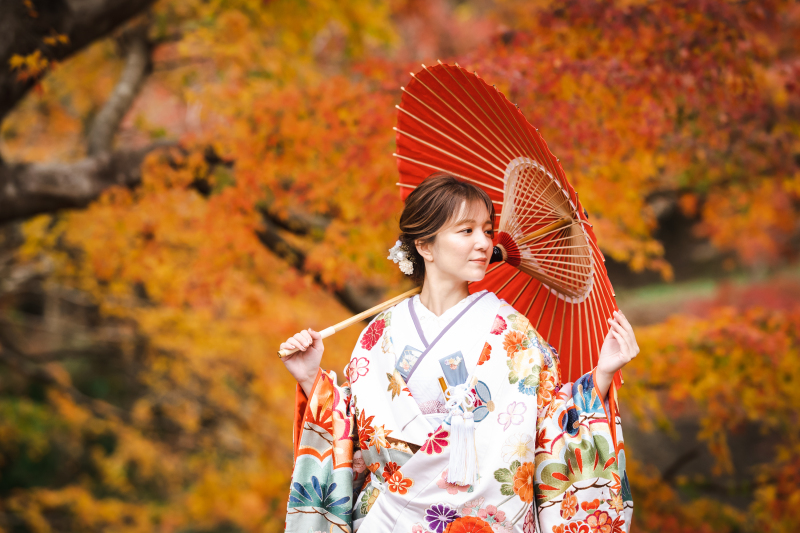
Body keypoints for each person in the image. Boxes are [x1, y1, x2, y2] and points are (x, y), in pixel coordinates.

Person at [280, 174, 638, 533]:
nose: (483, 242)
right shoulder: (381, 333)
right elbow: (355, 431)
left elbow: (549, 420)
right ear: (425, 246)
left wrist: (602, 376)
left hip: (486, 520)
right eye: (466, 231)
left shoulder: (512, 331)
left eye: (486, 229)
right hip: (391, 519)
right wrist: (312, 376)